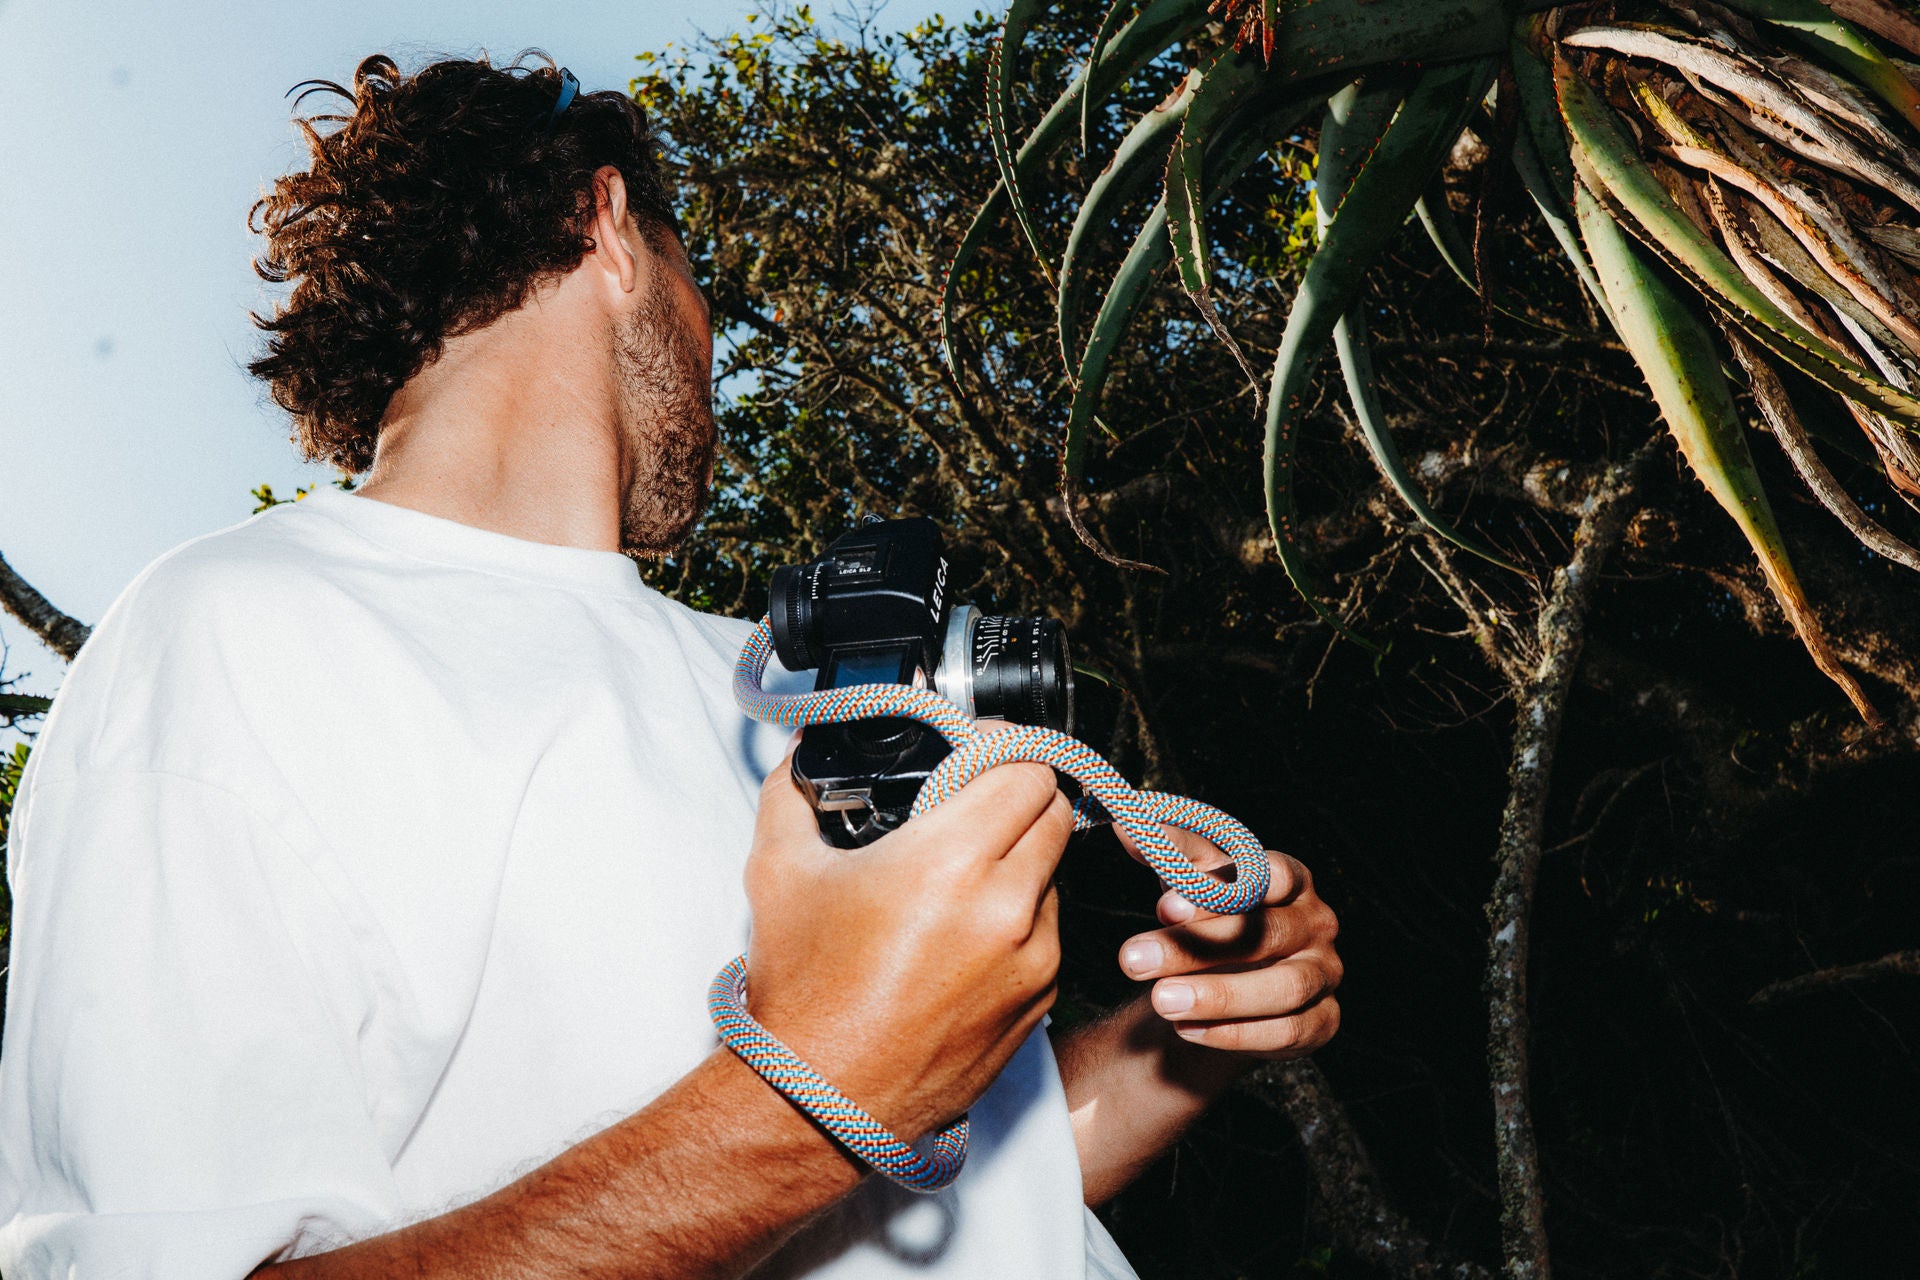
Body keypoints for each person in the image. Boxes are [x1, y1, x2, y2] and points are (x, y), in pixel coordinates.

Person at [0, 54, 1342, 1280]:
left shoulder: (770, 679)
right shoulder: (238, 635)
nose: (715, 348)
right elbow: (845, 1103)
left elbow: (961, 1202)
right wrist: (807, 1099)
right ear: (607, 230)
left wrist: (1184, 1043)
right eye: (699, 278)